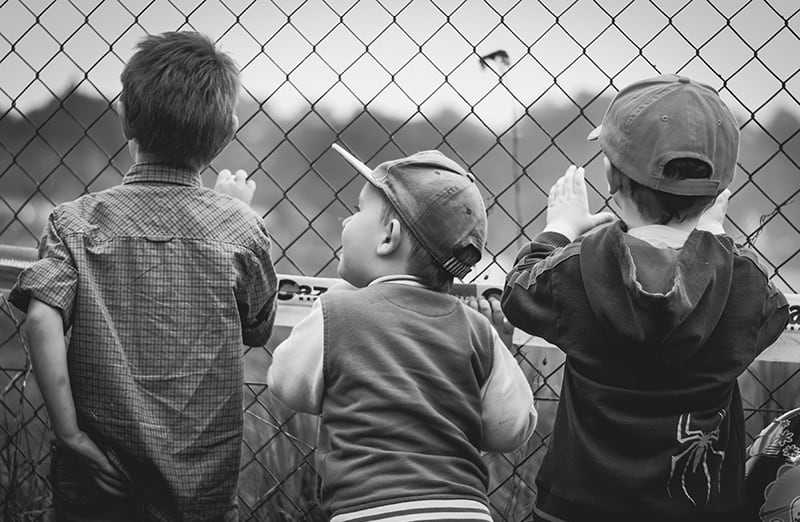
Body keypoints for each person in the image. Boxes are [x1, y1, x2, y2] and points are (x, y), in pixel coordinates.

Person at [10, 31, 278, 521]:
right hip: (198, 484)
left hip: (96, 474)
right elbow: (257, 327)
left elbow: (41, 317)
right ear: (228, 130)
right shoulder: (241, 228)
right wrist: (236, 214)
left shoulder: (76, 221)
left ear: (125, 118)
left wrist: (70, 435)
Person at [501, 74, 790, 521]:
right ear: (720, 192)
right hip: (702, 511)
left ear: (610, 174)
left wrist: (559, 227)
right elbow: (773, 314)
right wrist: (713, 238)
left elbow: (519, 292)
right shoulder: (741, 281)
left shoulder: (579, 267)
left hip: (577, 509)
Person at [267, 148, 537, 521]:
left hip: (368, 509)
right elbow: (510, 429)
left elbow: (287, 384)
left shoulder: (338, 312)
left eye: (359, 210)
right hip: (464, 510)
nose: (347, 221)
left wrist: (338, 296)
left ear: (388, 237)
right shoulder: (477, 330)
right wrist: (496, 353)